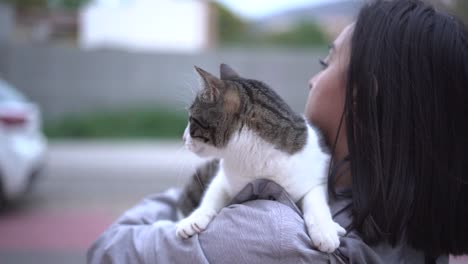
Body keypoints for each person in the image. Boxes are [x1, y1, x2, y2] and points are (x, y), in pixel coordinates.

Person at [87, 0, 468, 263]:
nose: (311, 80)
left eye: (326, 62)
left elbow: (108, 251)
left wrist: (182, 197)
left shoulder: (275, 237)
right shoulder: (411, 229)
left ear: (364, 92)